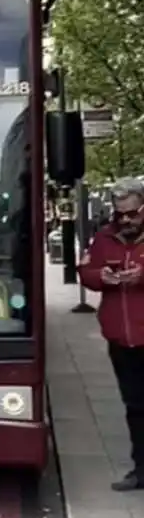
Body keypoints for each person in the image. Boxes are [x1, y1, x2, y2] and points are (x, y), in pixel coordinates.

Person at [79, 177, 144, 491]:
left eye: (133, 213)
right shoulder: (105, 237)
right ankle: (141, 470)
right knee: (135, 406)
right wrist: (100, 276)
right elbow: (87, 272)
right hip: (120, 337)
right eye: (121, 214)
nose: (127, 220)